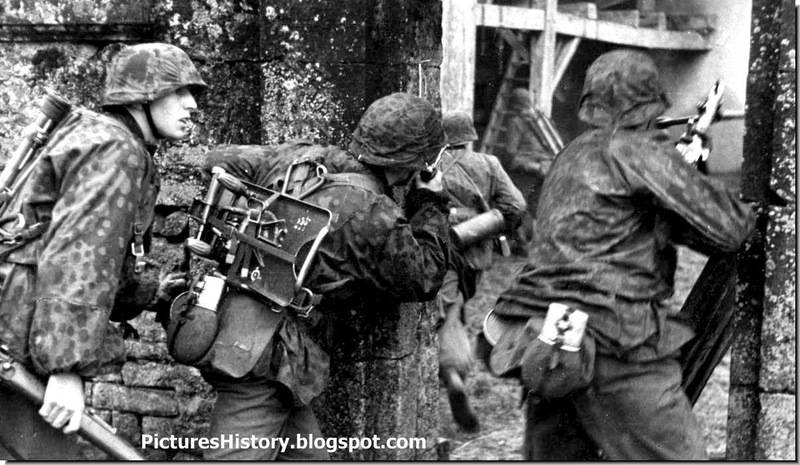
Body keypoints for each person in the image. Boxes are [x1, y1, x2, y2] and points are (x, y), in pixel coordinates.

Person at [484, 49, 755, 460]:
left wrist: (686, 160)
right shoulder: (641, 150)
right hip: (615, 339)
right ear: (651, 103)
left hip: (545, 334)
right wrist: (693, 169)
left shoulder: (571, 153)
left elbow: (634, 221)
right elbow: (729, 230)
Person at [192, 92, 451, 460]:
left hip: (267, 350)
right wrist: (431, 202)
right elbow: (423, 276)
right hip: (261, 360)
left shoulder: (303, 158)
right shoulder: (373, 213)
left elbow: (218, 160)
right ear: (415, 164)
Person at [0, 42, 205, 460]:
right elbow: (79, 256)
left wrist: (149, 292)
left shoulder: (93, 134)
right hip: (19, 341)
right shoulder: (116, 149)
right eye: (178, 91)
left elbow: (96, 252)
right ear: (143, 96)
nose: (191, 105)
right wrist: (66, 370)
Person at [436, 111, 526, 432]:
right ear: (470, 137)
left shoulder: (432, 167)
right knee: (456, 307)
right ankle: (454, 367)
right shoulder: (488, 164)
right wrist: (488, 226)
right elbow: (515, 207)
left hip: (441, 254)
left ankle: (453, 372)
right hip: (475, 258)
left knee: (449, 311)